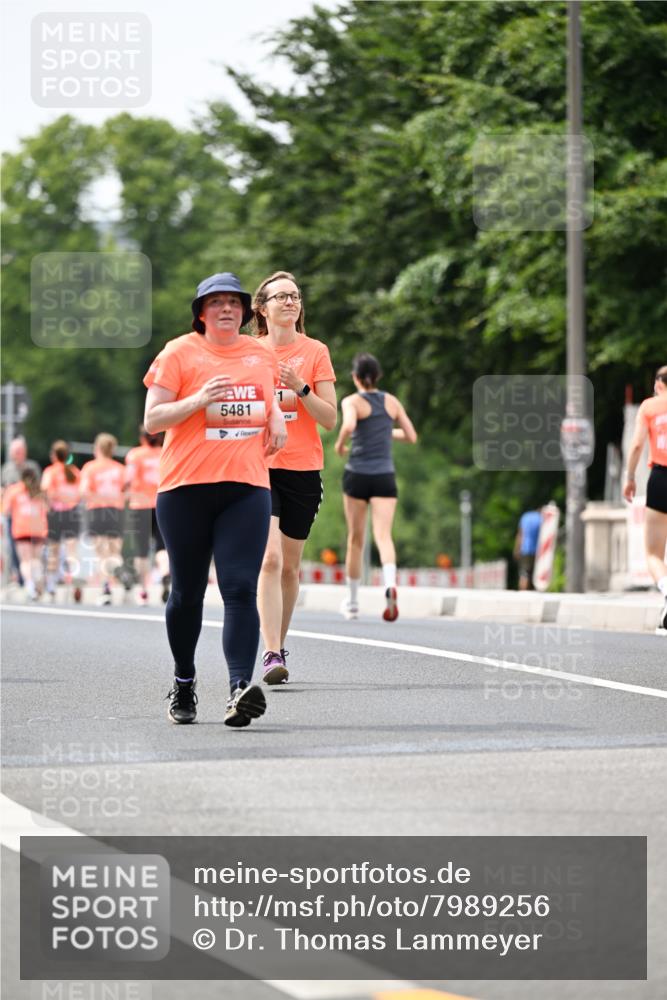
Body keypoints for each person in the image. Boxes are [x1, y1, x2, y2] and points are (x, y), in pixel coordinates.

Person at [143, 272, 287, 726]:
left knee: (240, 588)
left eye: (233, 302)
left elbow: (265, 398)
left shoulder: (258, 355)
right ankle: (184, 683)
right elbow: (152, 419)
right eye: (215, 302)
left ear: (245, 312)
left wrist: (278, 417)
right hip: (184, 490)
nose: (225, 308)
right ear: (201, 312)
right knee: (186, 594)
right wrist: (197, 400)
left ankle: (239, 689)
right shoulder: (179, 353)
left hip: (245, 488)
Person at [252, 270, 337, 684]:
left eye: (296, 296)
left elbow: (330, 420)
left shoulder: (315, 351)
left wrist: (301, 388)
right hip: (259, 467)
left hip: (303, 469)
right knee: (269, 559)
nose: (290, 302)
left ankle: (279, 645)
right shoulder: (248, 352)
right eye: (281, 296)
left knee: (290, 567)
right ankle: (269, 652)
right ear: (262, 308)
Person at [335, 352, 417, 621]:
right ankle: (390, 584)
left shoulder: (352, 401)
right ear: (378, 376)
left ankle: (353, 602)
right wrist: (384, 432)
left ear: (355, 377)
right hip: (384, 476)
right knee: (384, 536)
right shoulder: (391, 401)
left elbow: (348, 425)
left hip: (357, 474)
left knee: (355, 540)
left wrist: (339, 444)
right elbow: (411, 436)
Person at [623, 365, 667, 634]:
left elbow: (638, 443)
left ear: (660, 383)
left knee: (653, 552)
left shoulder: (650, 407)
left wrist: (630, 476)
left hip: (661, 477)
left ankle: (666, 590)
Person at [124, 426, 170, 605]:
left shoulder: (135, 455)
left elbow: (128, 479)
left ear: (142, 438)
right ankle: (165, 572)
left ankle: (143, 591)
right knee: (162, 547)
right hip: (161, 503)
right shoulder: (164, 452)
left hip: (140, 505)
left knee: (141, 551)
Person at [79, 433, 126, 606]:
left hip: (97, 510)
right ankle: (119, 567)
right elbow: (126, 490)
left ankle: (106, 589)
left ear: (97, 448)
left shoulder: (90, 467)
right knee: (114, 551)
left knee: (101, 554)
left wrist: (96, 497)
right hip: (116, 510)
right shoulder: (120, 468)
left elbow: (83, 491)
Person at [41, 440, 82, 601]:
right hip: (72, 513)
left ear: (54, 455)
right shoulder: (74, 472)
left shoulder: (50, 472)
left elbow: (46, 492)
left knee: (54, 550)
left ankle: (51, 588)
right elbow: (79, 494)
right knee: (72, 551)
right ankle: (74, 583)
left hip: (55, 514)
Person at [2, 467, 48, 600]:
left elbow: (5, 510)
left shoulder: (15, 490)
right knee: (36, 559)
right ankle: (38, 579)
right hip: (38, 527)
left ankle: (29, 584)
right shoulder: (39, 489)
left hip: (22, 527)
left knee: (25, 560)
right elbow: (46, 508)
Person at [1, 435, 41, 587]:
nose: (15, 455)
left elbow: (39, 490)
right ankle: (25, 579)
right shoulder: (7, 469)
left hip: (32, 516)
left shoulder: (32, 467)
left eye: (18, 452)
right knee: (17, 550)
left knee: (32, 553)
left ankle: (31, 582)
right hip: (16, 515)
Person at [514, 508, 543, 591]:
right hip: (538, 550)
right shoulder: (541, 518)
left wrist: (516, 548)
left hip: (525, 549)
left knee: (524, 573)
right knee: (535, 573)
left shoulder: (525, 517)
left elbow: (520, 534)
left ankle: (522, 590)